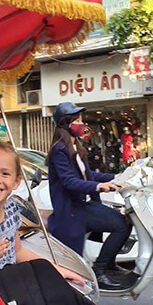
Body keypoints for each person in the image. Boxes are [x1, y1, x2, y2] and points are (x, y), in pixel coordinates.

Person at [0, 141, 85, 285]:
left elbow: (18, 252)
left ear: (16, 181)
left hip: (12, 292)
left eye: (5, 174)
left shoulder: (11, 209)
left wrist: (55, 269)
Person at [45, 102, 132, 290]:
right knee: (120, 225)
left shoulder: (76, 146)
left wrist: (117, 178)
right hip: (72, 211)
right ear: (65, 124)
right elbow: (69, 181)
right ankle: (100, 271)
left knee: (124, 222)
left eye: (81, 119)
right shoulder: (60, 150)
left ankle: (107, 265)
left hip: (83, 206)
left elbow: (88, 175)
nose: (81, 123)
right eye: (76, 120)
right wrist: (100, 186)